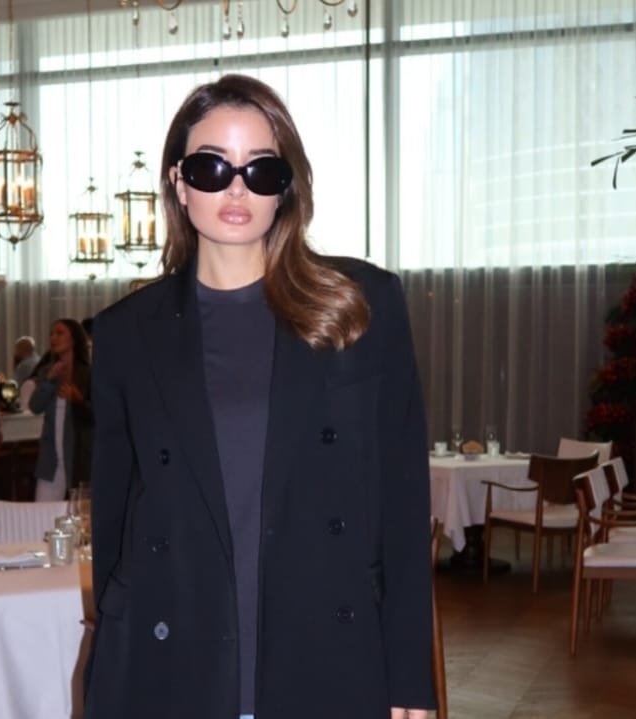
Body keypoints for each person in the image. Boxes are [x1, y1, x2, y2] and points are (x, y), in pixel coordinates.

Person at [84, 74, 434, 719]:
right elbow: (115, 521)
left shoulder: (360, 305)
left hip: (326, 650)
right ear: (179, 183)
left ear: (286, 187)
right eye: (212, 166)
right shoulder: (126, 334)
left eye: (261, 169)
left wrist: (410, 675)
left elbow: (404, 503)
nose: (237, 188)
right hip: (170, 658)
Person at [27, 319, 93, 501]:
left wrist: (78, 400)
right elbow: (35, 406)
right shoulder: (48, 371)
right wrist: (49, 380)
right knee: (43, 510)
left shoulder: (88, 374)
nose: (53, 338)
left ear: (74, 339)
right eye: (51, 334)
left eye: (59, 333)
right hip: (51, 458)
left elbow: (99, 416)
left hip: (79, 457)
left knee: (81, 512)